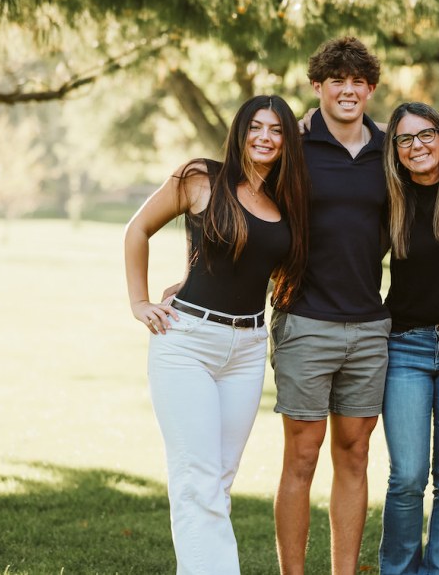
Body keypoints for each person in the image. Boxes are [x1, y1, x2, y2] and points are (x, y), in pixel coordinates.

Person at [124, 94, 310, 575]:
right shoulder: (201, 177)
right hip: (187, 342)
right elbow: (137, 229)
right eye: (256, 127)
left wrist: (308, 122)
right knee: (197, 482)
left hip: (247, 348)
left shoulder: (285, 198)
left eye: (276, 130)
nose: (265, 137)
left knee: (217, 481)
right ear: (239, 131)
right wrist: (140, 301)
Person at [270, 36, 390, 575]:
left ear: (370, 88)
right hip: (304, 320)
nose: (348, 89)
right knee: (302, 454)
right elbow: (239, 204)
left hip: (369, 324)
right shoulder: (290, 143)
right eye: (336, 80)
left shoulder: (390, 147)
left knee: (356, 453)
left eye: (358, 81)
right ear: (317, 87)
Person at [378, 102, 439, 575]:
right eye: (405, 139)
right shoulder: (389, 200)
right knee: (407, 477)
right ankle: (398, 570)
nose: (417, 146)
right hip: (404, 349)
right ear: (394, 151)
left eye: (426, 135)